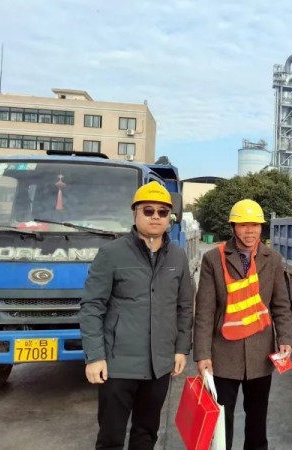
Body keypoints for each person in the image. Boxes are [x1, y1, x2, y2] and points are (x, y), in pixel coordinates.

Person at [79, 181, 194, 450]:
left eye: (162, 212)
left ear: (169, 217)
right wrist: (95, 356)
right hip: (118, 365)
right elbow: (92, 307)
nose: (156, 217)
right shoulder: (111, 254)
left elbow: (184, 306)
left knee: (146, 434)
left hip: (159, 366)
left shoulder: (178, 257)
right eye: (148, 210)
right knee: (111, 437)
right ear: (135, 213)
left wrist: (181, 349)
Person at [193, 199, 292, 450]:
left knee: (257, 423)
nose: (250, 231)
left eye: (255, 225)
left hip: (260, 355)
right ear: (233, 227)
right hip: (223, 355)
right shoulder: (214, 259)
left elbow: (281, 305)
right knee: (221, 423)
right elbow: (205, 310)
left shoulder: (273, 259)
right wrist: (203, 354)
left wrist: (285, 339)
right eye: (244, 225)